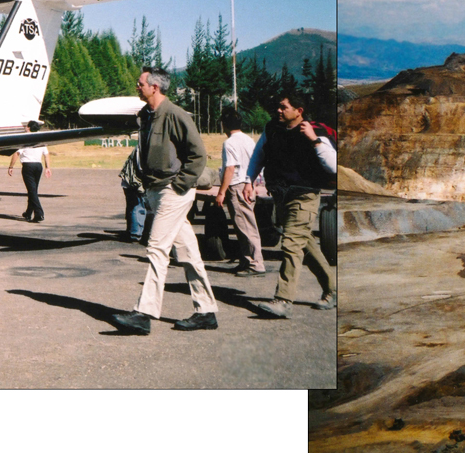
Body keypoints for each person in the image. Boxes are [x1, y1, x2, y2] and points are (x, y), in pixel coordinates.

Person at [110, 68, 219, 335]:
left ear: (155, 87)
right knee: (189, 254)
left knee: (156, 248)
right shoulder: (146, 116)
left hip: (173, 190)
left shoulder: (175, 115)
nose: (137, 87)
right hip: (156, 190)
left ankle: (144, 313)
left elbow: (198, 155)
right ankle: (206, 311)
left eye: (140, 83)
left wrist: (180, 184)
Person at [246, 93, 338, 318]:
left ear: (299, 111)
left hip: (304, 196)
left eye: (284, 107)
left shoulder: (314, 131)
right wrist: (249, 181)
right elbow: (258, 155)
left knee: (290, 245)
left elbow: (333, 166)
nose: (279, 111)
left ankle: (283, 300)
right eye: (278, 107)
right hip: (281, 196)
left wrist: (313, 139)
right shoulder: (272, 129)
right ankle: (333, 289)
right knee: (305, 245)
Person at [214, 110, 266, 276]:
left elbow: (230, 168)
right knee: (244, 225)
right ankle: (245, 260)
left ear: (225, 124)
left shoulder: (229, 143)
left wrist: (221, 192)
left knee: (245, 226)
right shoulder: (248, 139)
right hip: (248, 184)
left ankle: (255, 264)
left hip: (237, 186)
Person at [7, 121, 51, 222]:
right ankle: (28, 212)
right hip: (38, 166)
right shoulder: (41, 139)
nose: (25, 128)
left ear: (29, 128)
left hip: (28, 166)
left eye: (26, 126)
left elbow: (17, 153)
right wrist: (47, 167)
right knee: (33, 190)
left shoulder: (25, 138)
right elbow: (46, 154)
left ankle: (39, 213)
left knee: (32, 191)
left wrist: (11, 166)